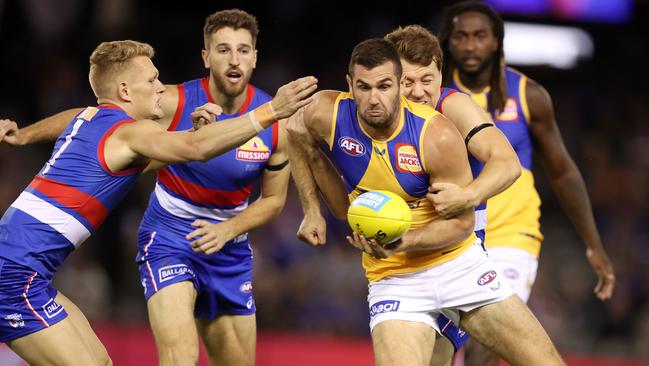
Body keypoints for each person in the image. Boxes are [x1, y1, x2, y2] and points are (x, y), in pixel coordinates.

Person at [0, 9, 316, 366]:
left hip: (23, 269)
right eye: (151, 80)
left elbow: (168, 144)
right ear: (124, 90)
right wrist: (273, 110)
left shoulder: (88, 118)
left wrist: (23, 134)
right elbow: (195, 151)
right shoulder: (132, 132)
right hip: (13, 275)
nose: (160, 87)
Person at [287, 37, 564, 366]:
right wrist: (311, 211)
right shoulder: (328, 114)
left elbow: (467, 218)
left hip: (459, 265)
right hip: (395, 282)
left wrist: (467, 195)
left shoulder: (441, 129)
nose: (375, 98)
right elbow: (295, 132)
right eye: (365, 87)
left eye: (385, 86)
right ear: (350, 85)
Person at [437, 1, 615, 365]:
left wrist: (593, 244)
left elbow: (563, 172)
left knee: (487, 346)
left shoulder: (528, 95)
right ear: (448, 42)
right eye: (461, 37)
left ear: (497, 42)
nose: (471, 46)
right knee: (438, 348)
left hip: (511, 237)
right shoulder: (434, 96)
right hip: (452, 233)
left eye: (480, 36)